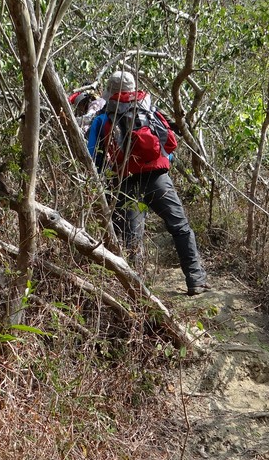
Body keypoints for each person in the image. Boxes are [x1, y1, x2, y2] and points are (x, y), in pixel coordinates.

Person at [87, 71, 209, 296]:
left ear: (110, 92)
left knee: (132, 240)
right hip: (157, 178)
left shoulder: (103, 118)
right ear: (133, 89)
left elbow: (92, 156)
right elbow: (169, 148)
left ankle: (139, 294)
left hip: (123, 182)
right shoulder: (149, 111)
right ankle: (196, 280)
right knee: (180, 227)